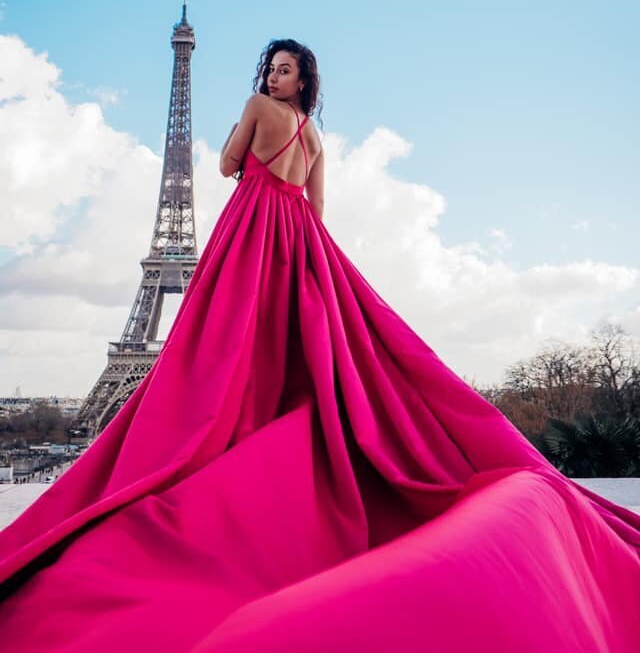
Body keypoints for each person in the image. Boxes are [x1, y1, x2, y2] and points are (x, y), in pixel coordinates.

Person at [1, 38, 640, 651]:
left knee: (228, 333)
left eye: (282, 69)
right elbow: (318, 203)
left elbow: (227, 164)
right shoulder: (314, 132)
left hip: (253, 222)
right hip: (297, 233)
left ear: (299, 78)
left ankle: (229, 417)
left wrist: (251, 155)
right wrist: (301, 241)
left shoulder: (257, 110)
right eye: (271, 69)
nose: (273, 77)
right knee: (298, 336)